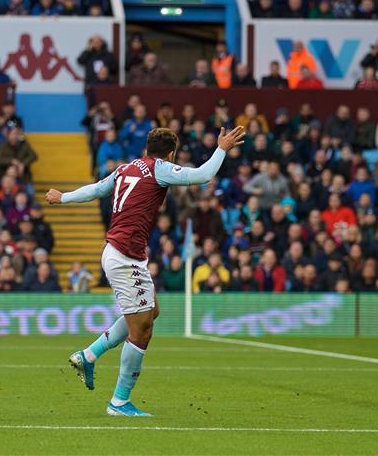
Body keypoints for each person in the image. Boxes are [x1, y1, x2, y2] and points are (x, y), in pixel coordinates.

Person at [47, 125, 245, 417]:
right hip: (124, 256)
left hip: (123, 253)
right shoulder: (159, 169)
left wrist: (63, 197)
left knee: (151, 311)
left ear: (145, 149)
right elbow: (203, 175)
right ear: (170, 153)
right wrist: (222, 149)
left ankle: (89, 355)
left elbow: (97, 190)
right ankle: (119, 402)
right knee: (142, 330)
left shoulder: (126, 168)